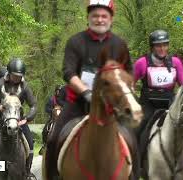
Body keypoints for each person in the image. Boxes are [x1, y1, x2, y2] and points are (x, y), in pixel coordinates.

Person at [45, 0, 133, 178]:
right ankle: (53, 175)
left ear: (111, 19)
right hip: (77, 103)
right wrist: (86, 92)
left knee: (133, 137)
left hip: (110, 106)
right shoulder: (76, 42)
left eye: (103, 16)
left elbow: (128, 73)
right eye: (95, 15)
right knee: (53, 138)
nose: (99, 19)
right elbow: (68, 72)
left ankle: (134, 173)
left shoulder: (119, 45)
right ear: (88, 17)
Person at [133, 29, 183, 137]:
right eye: (158, 46)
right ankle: (136, 151)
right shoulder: (142, 63)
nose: (162, 49)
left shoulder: (176, 62)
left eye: (165, 45)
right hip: (148, 103)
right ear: (152, 47)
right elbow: (129, 82)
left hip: (170, 102)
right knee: (139, 126)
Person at [39, 85, 67, 155]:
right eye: (57, 91)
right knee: (45, 129)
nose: (59, 92)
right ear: (55, 91)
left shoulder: (65, 100)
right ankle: (44, 144)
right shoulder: (51, 99)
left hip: (63, 118)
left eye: (60, 91)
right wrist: (52, 111)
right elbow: (46, 108)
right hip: (53, 118)